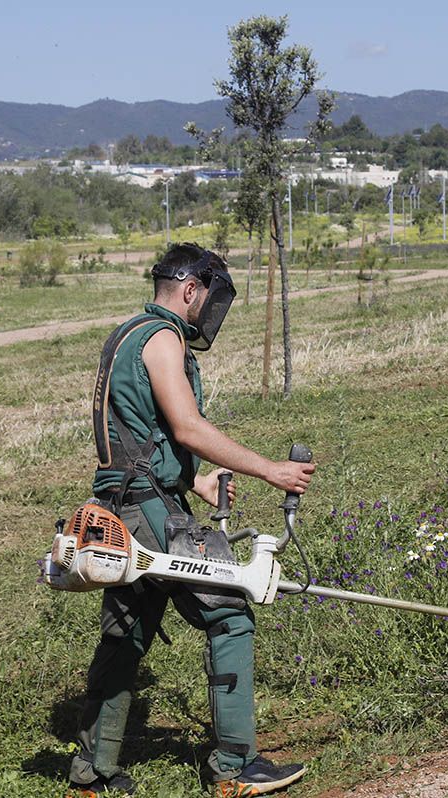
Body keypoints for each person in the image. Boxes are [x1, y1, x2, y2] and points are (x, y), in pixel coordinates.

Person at [69, 243, 315, 797]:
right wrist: (272, 470)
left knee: (126, 633)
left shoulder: (127, 335)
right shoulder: (163, 338)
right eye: (211, 297)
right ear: (190, 289)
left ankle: (91, 777)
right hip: (148, 509)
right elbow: (187, 428)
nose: (211, 310)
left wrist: (193, 482)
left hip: (126, 504)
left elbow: (138, 437)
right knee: (228, 611)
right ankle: (235, 767)